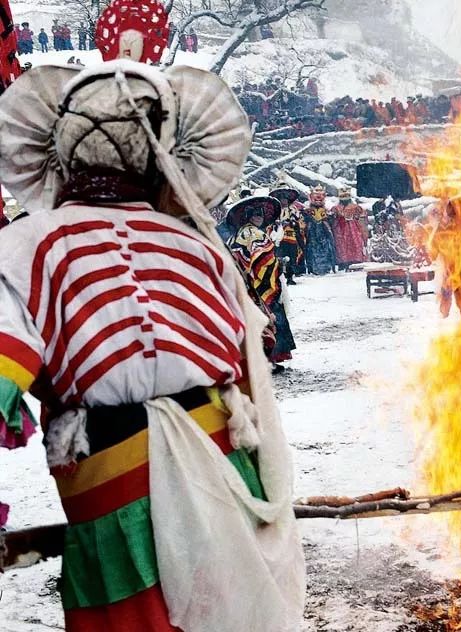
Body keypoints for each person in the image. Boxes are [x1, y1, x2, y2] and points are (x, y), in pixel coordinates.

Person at [0, 59, 303, 630]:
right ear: (163, 150)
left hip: (117, 488)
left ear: (56, 146)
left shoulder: (26, 244)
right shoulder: (200, 246)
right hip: (227, 469)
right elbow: (244, 370)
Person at [227, 196, 297, 373]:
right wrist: (278, 264)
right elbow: (262, 260)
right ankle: (268, 360)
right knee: (269, 321)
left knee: (250, 323)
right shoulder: (256, 234)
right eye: (255, 214)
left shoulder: (237, 234)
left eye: (261, 214)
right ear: (248, 216)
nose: (259, 217)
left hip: (241, 284)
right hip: (259, 285)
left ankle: (254, 361)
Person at [329, 186, 367, 270]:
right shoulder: (335, 208)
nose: (344, 199)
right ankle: (343, 263)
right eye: (342, 197)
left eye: (346, 196)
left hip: (353, 228)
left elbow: (362, 217)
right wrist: (335, 217)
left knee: (355, 243)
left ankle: (356, 261)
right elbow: (331, 219)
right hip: (340, 229)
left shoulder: (356, 207)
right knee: (341, 246)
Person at [302, 185, 336, 275]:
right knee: (311, 249)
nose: (318, 199)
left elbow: (331, 221)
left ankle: (326, 267)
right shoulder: (307, 210)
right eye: (315, 196)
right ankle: (313, 268)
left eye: (321, 196)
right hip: (312, 231)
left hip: (323, 231)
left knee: (326, 248)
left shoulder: (326, 209)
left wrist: (329, 218)